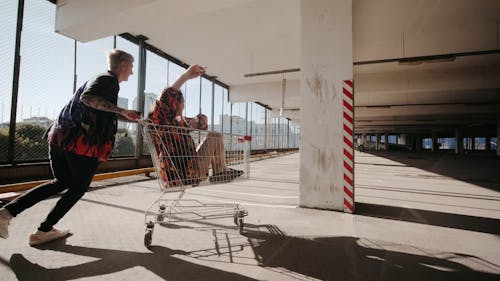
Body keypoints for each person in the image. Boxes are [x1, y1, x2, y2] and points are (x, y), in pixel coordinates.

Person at [0, 49, 141, 246]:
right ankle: (44, 229)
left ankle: (6, 213)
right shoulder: (108, 79)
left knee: (61, 182)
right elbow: (88, 98)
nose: (132, 72)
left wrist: (125, 115)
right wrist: (121, 110)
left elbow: (96, 107)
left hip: (60, 137)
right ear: (124, 64)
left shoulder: (102, 81)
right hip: (80, 144)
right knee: (78, 187)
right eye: (132, 67)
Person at [148, 64, 242, 187]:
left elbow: (200, 125)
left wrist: (199, 121)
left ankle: (221, 171)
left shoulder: (178, 122)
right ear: (175, 104)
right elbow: (165, 98)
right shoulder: (160, 120)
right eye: (182, 103)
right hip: (182, 171)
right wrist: (185, 77)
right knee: (215, 135)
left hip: (189, 166)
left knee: (215, 136)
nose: (184, 106)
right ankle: (220, 172)